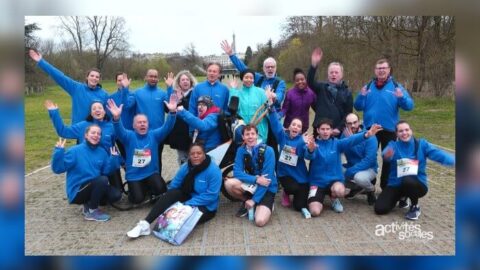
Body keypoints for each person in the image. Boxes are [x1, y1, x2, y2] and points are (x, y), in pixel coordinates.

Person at [126, 142, 222, 238]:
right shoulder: (186, 166)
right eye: (192, 154)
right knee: (170, 194)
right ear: (189, 155)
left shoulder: (213, 170)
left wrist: (187, 204)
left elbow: (211, 195)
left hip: (205, 205)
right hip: (188, 196)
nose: (196, 156)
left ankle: (167, 228)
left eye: (199, 153)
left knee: (179, 218)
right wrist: (168, 200)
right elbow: (174, 184)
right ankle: (145, 224)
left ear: (204, 154)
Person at [354, 58, 414, 190]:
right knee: (369, 157)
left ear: (389, 70)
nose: (381, 71)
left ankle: (385, 187)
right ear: (375, 70)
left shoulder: (397, 86)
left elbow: (409, 106)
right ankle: (368, 186)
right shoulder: (368, 86)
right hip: (371, 130)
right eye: (379, 68)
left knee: (388, 158)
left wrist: (401, 97)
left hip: (389, 130)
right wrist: (361, 96)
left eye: (384, 68)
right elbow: (357, 107)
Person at [374, 121, 455, 220]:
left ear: (411, 131)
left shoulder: (422, 144)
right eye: (400, 131)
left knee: (407, 180)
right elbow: (385, 154)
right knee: (380, 209)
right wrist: (387, 154)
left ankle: (415, 206)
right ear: (396, 134)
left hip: (417, 184)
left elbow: (438, 154)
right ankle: (402, 196)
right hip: (396, 184)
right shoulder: (393, 145)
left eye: (407, 130)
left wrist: (453, 161)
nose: (404, 133)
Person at [221, 40, 286, 158]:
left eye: (272, 67)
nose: (270, 69)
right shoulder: (259, 79)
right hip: (257, 121)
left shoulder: (280, 82)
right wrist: (231, 55)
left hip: (272, 119)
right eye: (267, 67)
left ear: (276, 68)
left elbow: (280, 96)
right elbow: (244, 70)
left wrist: (273, 96)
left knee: (271, 151)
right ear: (264, 68)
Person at [106, 96, 177, 204]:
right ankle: (139, 189)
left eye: (144, 122)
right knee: (138, 199)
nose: (142, 124)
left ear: (148, 125)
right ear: (134, 126)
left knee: (161, 191)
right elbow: (119, 130)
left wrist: (172, 112)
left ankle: (149, 187)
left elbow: (167, 127)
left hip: (151, 173)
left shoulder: (154, 135)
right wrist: (116, 118)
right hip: (134, 175)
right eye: (139, 122)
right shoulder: (128, 136)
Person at [305, 119, 382, 217]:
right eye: (322, 129)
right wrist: (310, 150)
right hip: (317, 183)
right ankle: (318, 199)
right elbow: (308, 156)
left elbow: (351, 140)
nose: (325, 132)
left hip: (333, 181)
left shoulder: (337, 143)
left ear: (331, 130)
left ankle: (333, 199)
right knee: (315, 212)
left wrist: (367, 134)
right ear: (318, 130)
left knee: (340, 191)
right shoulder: (313, 144)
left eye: (328, 129)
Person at [44, 99, 123, 190]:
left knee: (118, 192)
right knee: (100, 195)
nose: (97, 110)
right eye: (94, 109)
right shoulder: (82, 126)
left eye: (100, 108)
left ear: (104, 111)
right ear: (91, 112)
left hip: (108, 162)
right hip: (91, 164)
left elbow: (114, 145)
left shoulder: (111, 126)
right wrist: (54, 113)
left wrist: (121, 161)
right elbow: (63, 131)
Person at [51, 125, 121, 222]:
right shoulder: (74, 151)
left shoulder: (102, 152)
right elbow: (57, 169)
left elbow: (106, 171)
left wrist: (113, 159)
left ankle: (88, 203)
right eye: (93, 133)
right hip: (78, 191)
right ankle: (92, 212)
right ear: (86, 135)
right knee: (102, 180)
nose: (96, 135)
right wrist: (59, 152)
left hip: (94, 185)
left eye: (99, 134)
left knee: (116, 195)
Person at [28, 49, 108, 124]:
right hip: (79, 131)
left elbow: (109, 114)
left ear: (99, 79)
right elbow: (59, 76)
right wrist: (41, 62)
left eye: (97, 77)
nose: (94, 78)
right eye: (92, 76)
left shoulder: (104, 94)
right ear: (87, 77)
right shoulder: (76, 88)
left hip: (96, 132)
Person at [224, 125, 277, 227]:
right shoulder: (241, 150)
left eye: (253, 134)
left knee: (260, 221)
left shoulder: (269, 150)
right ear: (243, 137)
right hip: (253, 184)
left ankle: (258, 203)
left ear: (257, 135)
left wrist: (254, 200)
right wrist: (256, 179)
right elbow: (237, 172)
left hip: (267, 188)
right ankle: (246, 202)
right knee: (229, 184)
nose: (250, 137)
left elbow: (267, 180)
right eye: (247, 134)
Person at [267, 102, 312, 211]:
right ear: (289, 126)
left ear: (301, 130)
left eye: (299, 126)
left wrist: (310, 149)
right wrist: (271, 106)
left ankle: (297, 196)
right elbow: (275, 123)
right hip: (285, 174)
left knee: (300, 206)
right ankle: (286, 192)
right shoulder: (283, 137)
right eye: (293, 124)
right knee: (293, 188)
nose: (295, 127)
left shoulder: (303, 141)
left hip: (301, 176)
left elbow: (307, 156)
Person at [124, 69, 168, 175]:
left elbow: (170, 107)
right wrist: (125, 89)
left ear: (158, 78)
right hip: (142, 134)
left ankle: (157, 186)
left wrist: (170, 88)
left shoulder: (162, 93)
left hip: (158, 134)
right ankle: (142, 185)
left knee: (156, 160)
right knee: (142, 159)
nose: (153, 78)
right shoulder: (137, 93)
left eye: (155, 77)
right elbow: (127, 105)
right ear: (146, 77)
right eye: (151, 76)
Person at [307, 47, 353, 138]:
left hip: (336, 131)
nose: (334, 74)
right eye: (331, 72)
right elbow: (310, 81)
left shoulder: (347, 92)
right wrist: (313, 65)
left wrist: (339, 128)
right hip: (319, 130)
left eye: (336, 72)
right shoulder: (321, 87)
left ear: (342, 74)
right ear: (328, 74)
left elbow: (348, 113)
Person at [341, 113, 378, 205]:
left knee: (359, 177)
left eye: (355, 122)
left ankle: (370, 190)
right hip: (351, 165)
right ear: (346, 124)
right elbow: (338, 149)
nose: (352, 125)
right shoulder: (344, 135)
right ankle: (357, 188)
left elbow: (369, 160)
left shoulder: (370, 136)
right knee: (334, 170)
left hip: (369, 168)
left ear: (359, 122)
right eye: (349, 123)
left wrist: (351, 171)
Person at [164, 70, 198, 165]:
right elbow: (167, 109)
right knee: (183, 159)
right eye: (182, 80)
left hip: (193, 131)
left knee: (195, 157)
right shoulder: (174, 93)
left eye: (187, 79)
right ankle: (184, 178)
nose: (185, 81)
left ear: (191, 82)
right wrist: (175, 99)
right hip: (179, 132)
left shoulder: (195, 93)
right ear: (179, 82)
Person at [229, 69, 269, 143]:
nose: (249, 80)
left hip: (259, 131)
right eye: (246, 77)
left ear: (254, 79)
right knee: (245, 152)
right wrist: (233, 90)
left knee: (259, 152)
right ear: (242, 79)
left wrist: (269, 99)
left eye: (251, 78)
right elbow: (233, 107)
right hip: (244, 131)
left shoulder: (261, 92)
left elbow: (267, 110)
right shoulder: (237, 93)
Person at [280, 68, 316, 133]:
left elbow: (316, 108)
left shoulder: (311, 93)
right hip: (290, 126)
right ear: (294, 81)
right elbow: (285, 109)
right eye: (297, 80)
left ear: (306, 79)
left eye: (302, 79)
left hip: (303, 126)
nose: (300, 82)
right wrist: (278, 115)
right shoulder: (290, 93)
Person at [108, 72, 135, 159]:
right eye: (119, 80)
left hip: (131, 132)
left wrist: (125, 89)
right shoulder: (111, 97)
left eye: (123, 80)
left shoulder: (133, 95)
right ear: (116, 82)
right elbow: (108, 116)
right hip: (118, 133)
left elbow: (126, 105)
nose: (121, 82)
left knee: (134, 158)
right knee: (123, 158)